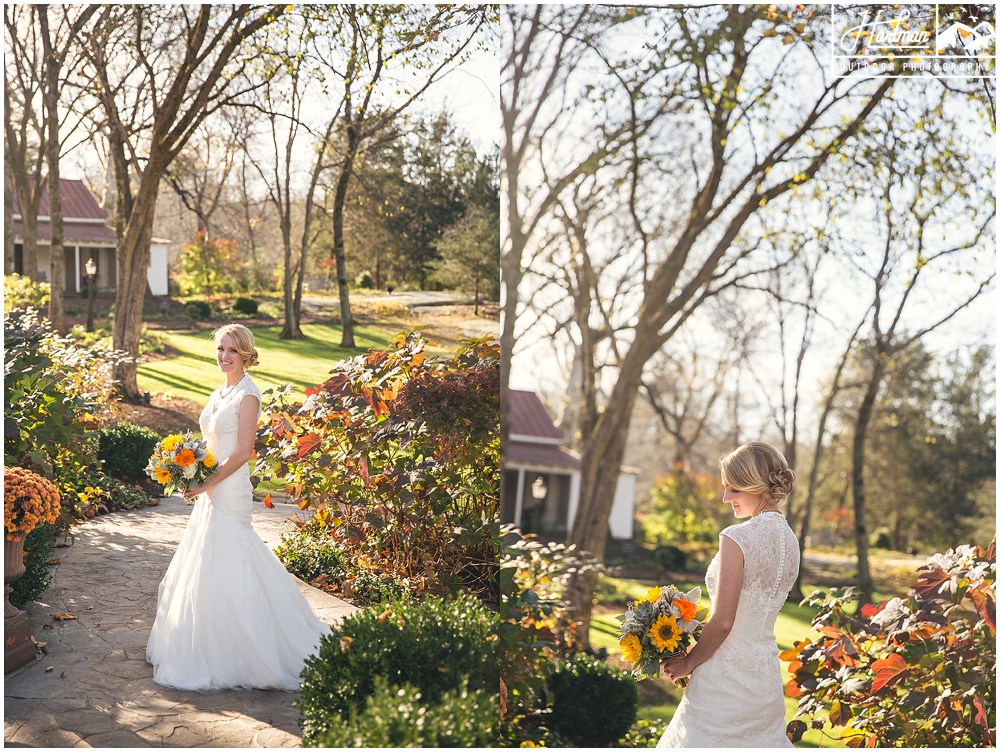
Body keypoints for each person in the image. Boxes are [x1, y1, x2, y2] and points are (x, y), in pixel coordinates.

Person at [146, 323, 331, 691]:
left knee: (233, 555)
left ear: (246, 354)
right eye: (220, 350)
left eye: (232, 351)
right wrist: (187, 468)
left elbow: (243, 451)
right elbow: (212, 441)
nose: (224, 357)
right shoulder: (221, 391)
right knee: (204, 558)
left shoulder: (248, 395)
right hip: (211, 483)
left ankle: (255, 647)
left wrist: (206, 482)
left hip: (228, 487)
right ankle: (201, 642)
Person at [657, 442, 799, 748]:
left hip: (723, 680)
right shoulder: (791, 541)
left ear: (756, 485)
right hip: (765, 682)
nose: (725, 499)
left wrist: (687, 663)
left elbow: (723, 621)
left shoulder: (737, 537)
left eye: (733, 489)